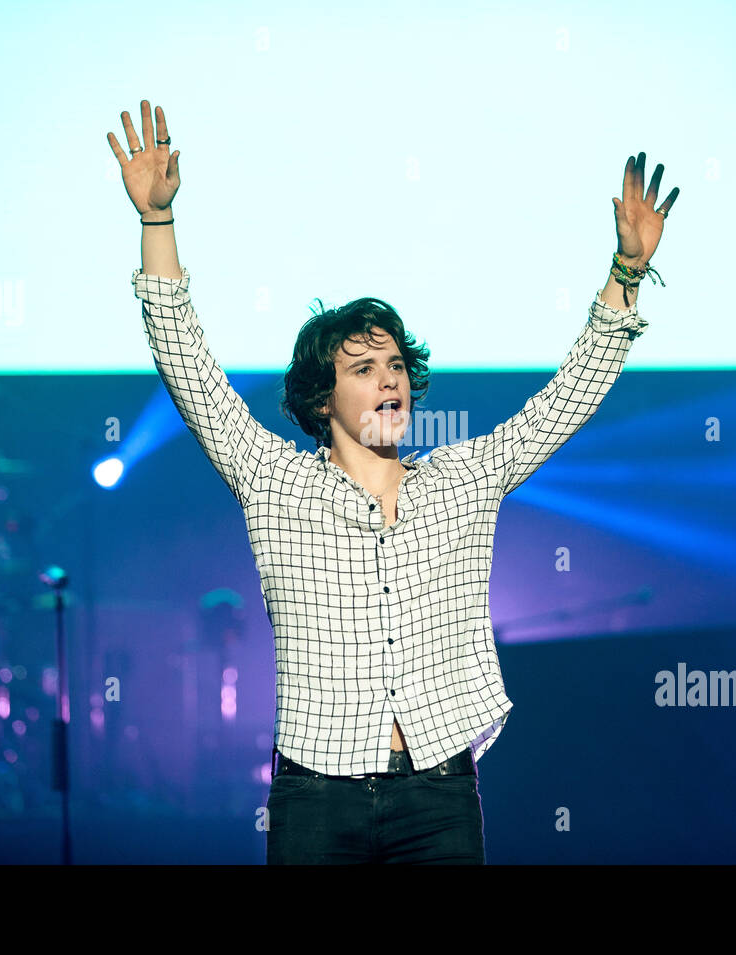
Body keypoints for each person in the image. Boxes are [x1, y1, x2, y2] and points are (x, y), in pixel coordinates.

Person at [108, 99, 679, 863]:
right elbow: (187, 363)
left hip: (439, 793)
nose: (390, 382)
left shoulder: (462, 478)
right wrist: (157, 223)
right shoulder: (274, 481)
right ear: (321, 397)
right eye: (363, 368)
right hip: (315, 794)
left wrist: (626, 271)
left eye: (397, 367)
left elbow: (566, 399)